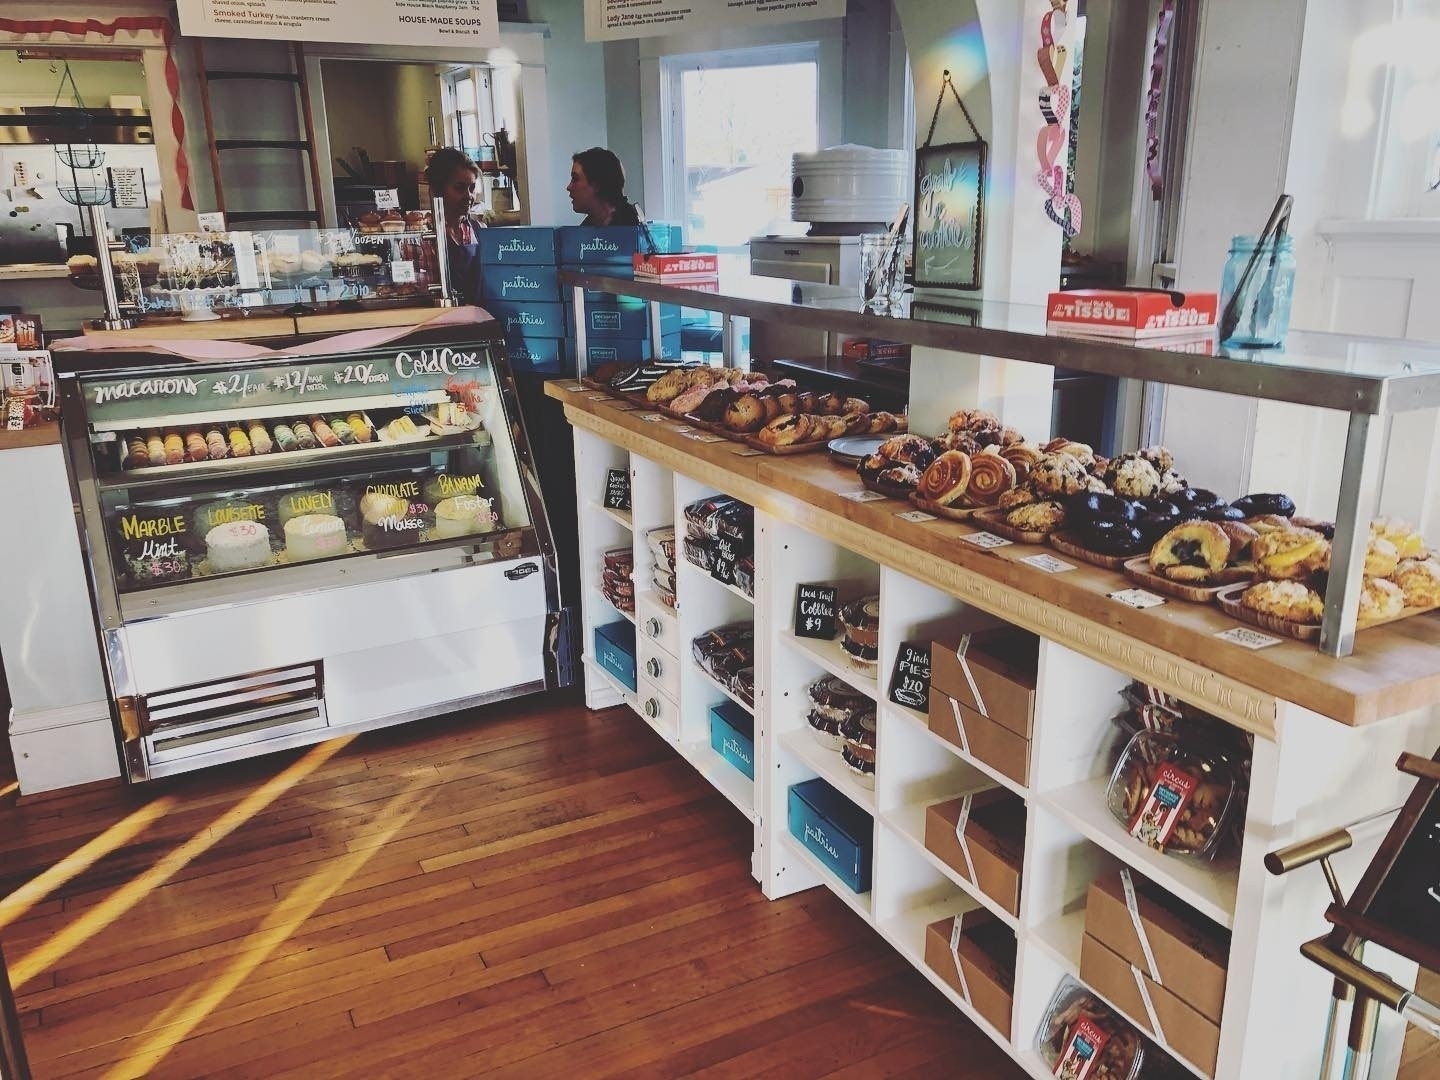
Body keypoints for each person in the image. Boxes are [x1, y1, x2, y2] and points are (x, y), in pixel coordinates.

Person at [426, 147, 485, 304]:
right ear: (438, 190)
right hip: (440, 317)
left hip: (478, 316)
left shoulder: (479, 230)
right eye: (459, 188)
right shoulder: (424, 237)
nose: (469, 196)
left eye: (472, 188)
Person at [567, 147, 642, 227]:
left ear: (596, 185)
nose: (568, 187)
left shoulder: (632, 228)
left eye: (575, 179)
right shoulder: (586, 228)